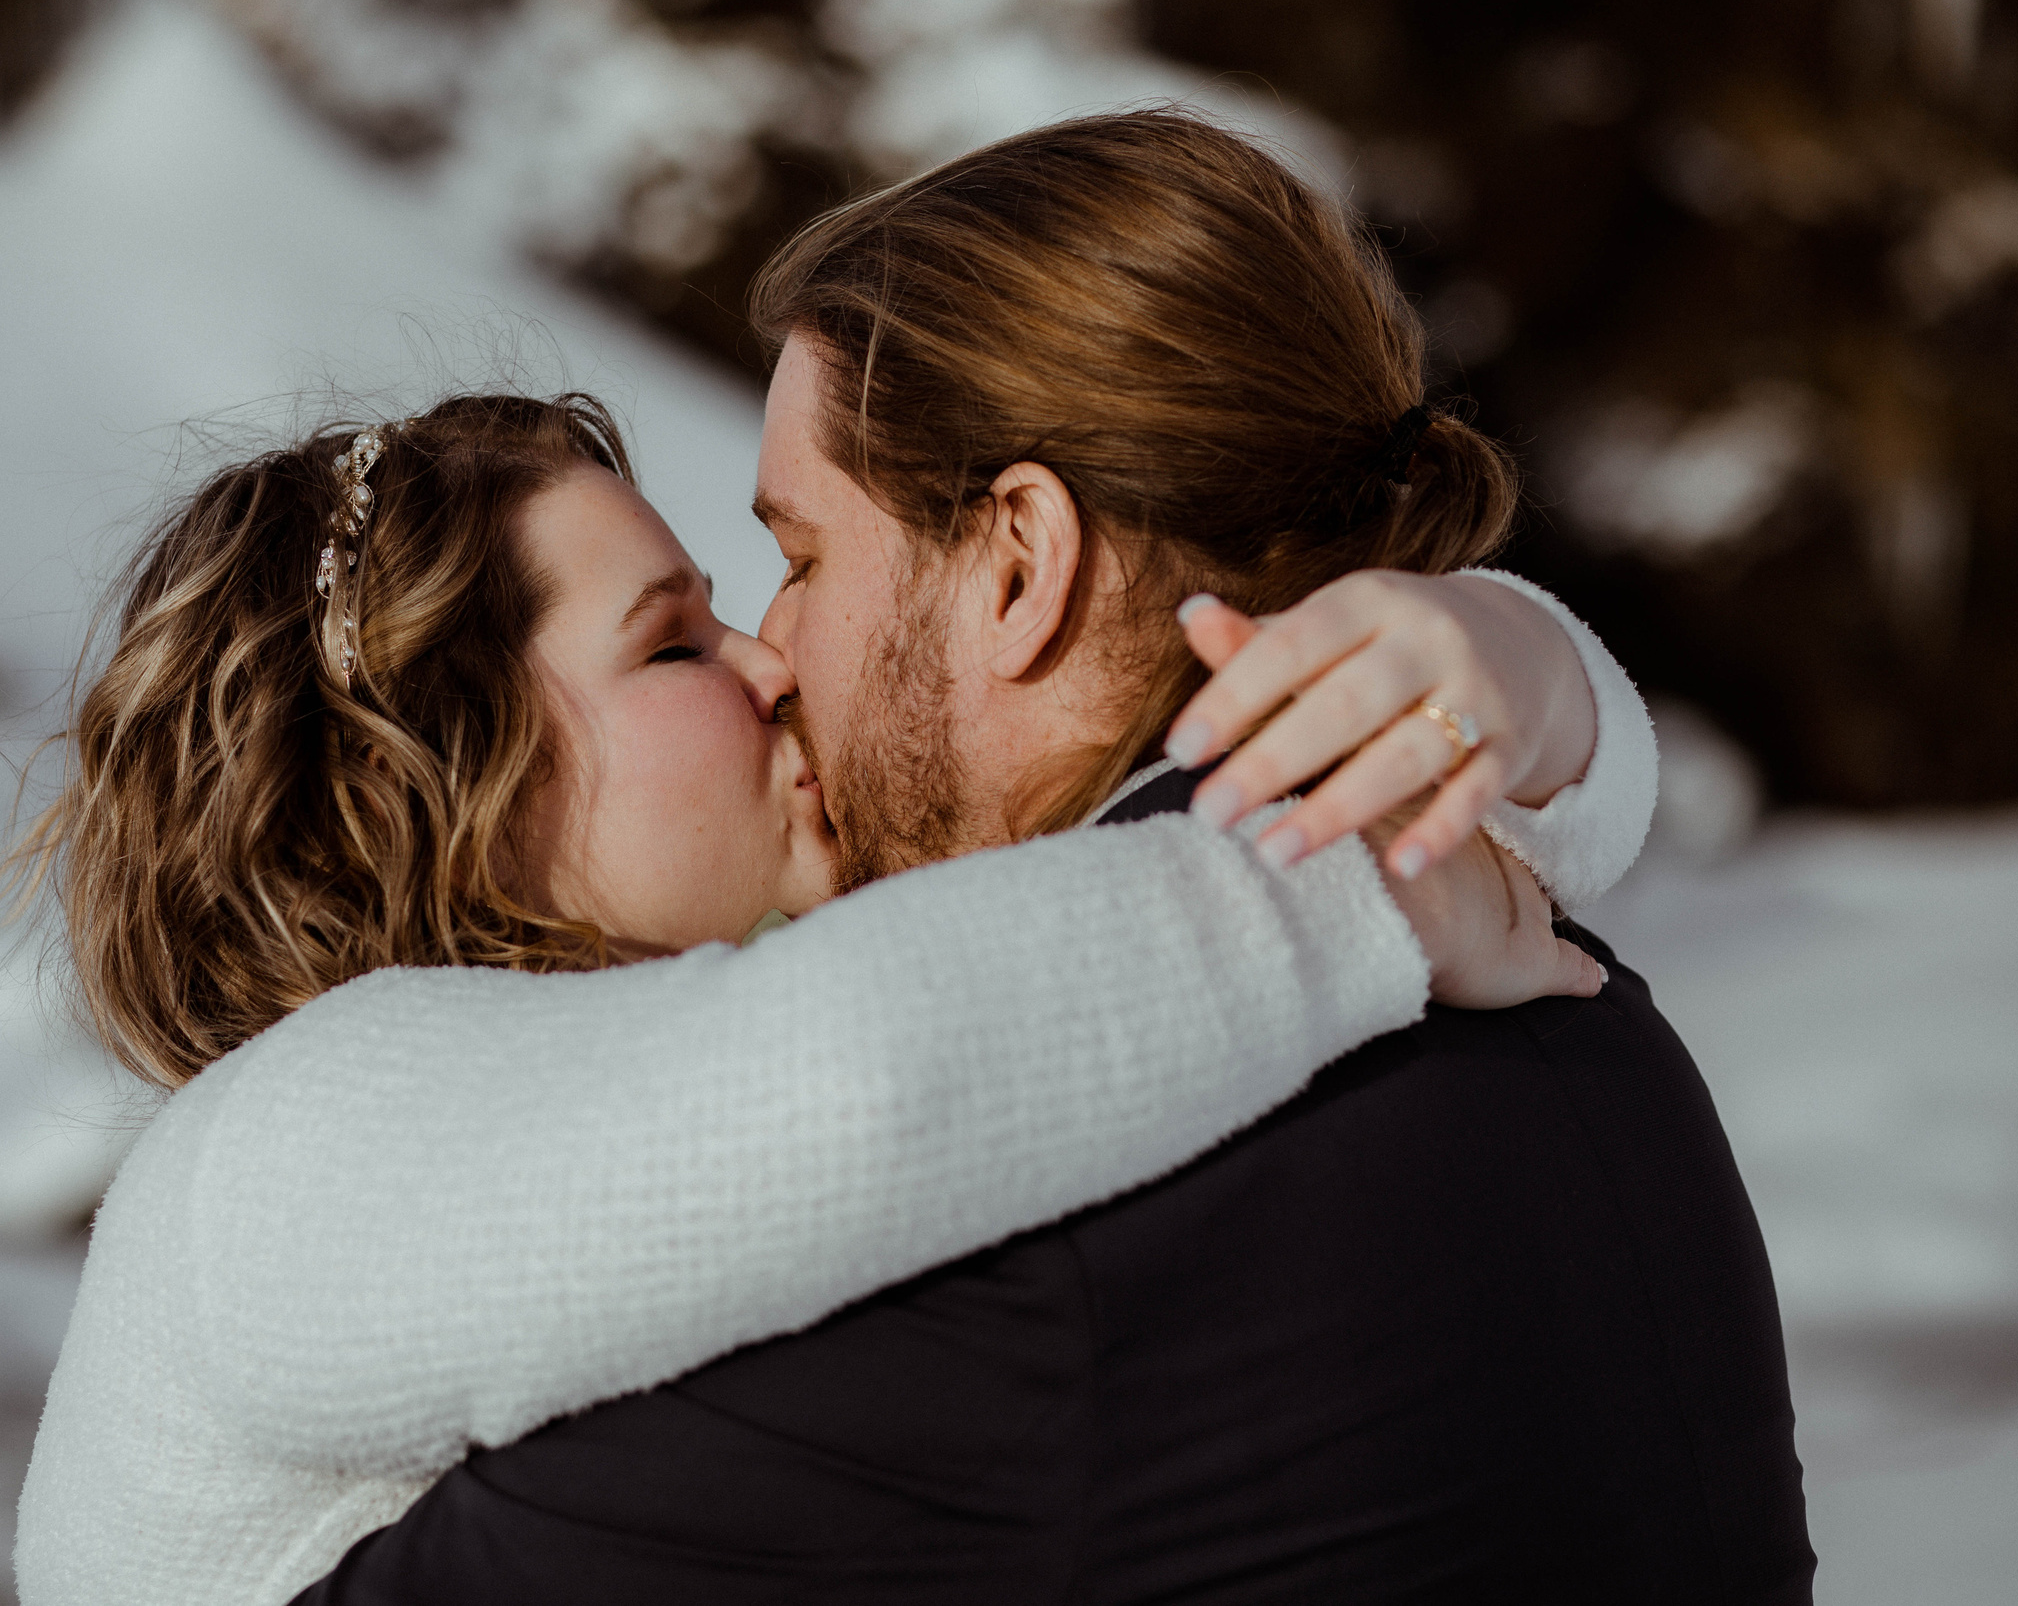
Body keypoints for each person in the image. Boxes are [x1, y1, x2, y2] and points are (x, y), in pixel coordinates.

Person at [305, 113, 1814, 1602]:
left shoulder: (1020, 1216)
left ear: (1020, 564)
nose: (773, 648)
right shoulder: (1586, 1010)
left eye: (805, 557)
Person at [9, 381, 1652, 1603]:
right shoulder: (296, 1132)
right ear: (431, 786)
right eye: (671, 645)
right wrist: (1348, 881)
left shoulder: (473, 1104)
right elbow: (858, 1088)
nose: (771, 664)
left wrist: (1516, 673)